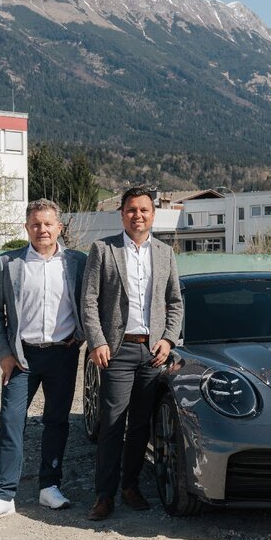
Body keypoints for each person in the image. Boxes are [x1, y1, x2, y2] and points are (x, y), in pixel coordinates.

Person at [0, 199, 86, 523]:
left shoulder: (78, 262)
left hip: (63, 354)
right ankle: (3, 494)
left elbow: (91, 303)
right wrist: (4, 354)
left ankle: (50, 487)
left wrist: (83, 334)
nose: (42, 230)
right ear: (26, 227)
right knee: (10, 421)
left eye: (48, 223)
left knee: (57, 421)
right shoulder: (9, 263)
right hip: (21, 358)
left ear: (59, 227)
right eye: (36, 224)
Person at [82, 187, 183, 521]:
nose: (137, 215)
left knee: (141, 425)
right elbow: (89, 301)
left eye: (143, 210)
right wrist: (97, 341)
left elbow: (175, 302)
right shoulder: (103, 249)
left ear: (153, 214)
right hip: (118, 350)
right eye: (131, 210)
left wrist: (168, 340)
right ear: (121, 213)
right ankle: (104, 494)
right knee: (112, 423)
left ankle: (130, 486)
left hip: (152, 352)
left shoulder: (166, 253)